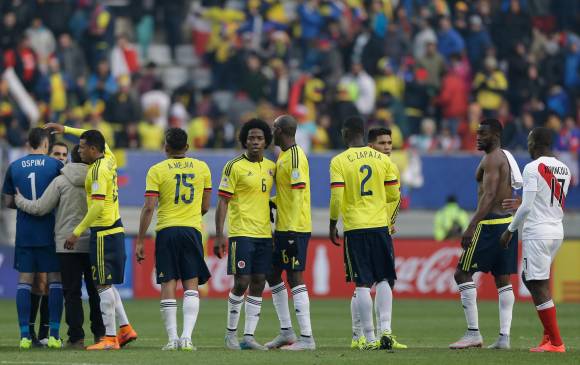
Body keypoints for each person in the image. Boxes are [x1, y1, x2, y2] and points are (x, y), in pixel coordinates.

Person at [45, 123, 137, 350]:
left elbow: (96, 207)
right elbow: (98, 137)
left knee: (102, 286)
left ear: (95, 150)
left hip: (104, 231)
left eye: (84, 147)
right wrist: (65, 129)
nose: (80, 150)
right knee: (105, 284)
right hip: (114, 228)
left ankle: (109, 339)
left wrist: (76, 233)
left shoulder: (96, 170)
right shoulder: (109, 159)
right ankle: (125, 328)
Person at [15, 145, 105, 348]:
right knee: (95, 291)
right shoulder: (99, 178)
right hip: (92, 240)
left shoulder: (61, 181)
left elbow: (39, 208)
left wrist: (19, 199)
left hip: (67, 244)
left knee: (72, 293)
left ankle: (76, 338)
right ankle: (101, 335)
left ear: (70, 159)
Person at [135, 128, 212, 351]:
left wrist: (140, 240)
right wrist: (190, 216)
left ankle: (172, 340)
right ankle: (187, 338)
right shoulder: (202, 168)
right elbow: (205, 206)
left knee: (167, 282)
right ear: (187, 147)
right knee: (191, 284)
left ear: (165, 147)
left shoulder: (156, 170)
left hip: (166, 230)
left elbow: (149, 207)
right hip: (192, 230)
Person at [329, 116, 400, 350]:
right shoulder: (384, 160)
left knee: (361, 284)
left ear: (344, 134)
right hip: (380, 225)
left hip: (355, 227)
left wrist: (332, 223)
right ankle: (386, 331)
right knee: (383, 279)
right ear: (363, 133)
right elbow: (392, 195)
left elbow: (337, 196)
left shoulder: (339, 161)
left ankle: (368, 338)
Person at [449, 119, 519, 350]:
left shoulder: (492, 159)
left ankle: (473, 333)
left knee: (462, 273)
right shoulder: (504, 157)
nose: (477, 137)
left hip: (489, 224)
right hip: (507, 223)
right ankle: (504, 338)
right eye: (477, 133)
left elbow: (488, 196)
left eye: (483, 134)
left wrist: (471, 226)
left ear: (496, 135)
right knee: (502, 279)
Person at [499, 127, 570, 353]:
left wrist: (510, 230)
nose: (528, 146)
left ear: (536, 143)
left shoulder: (532, 167)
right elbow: (545, 201)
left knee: (536, 284)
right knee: (533, 280)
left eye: (529, 141)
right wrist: (522, 205)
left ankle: (556, 343)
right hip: (556, 230)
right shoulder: (564, 168)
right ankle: (548, 338)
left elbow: (528, 206)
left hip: (537, 232)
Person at [214, 118, 276, 351]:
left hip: (263, 234)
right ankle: (230, 334)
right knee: (242, 282)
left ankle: (249, 336)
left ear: (266, 141)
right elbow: (222, 202)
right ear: (244, 141)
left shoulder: (272, 167)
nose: (255, 142)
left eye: (259, 138)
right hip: (241, 233)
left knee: (259, 282)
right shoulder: (234, 166)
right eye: (251, 138)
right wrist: (220, 235)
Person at [2, 128, 64, 349]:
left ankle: (24, 336)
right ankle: (55, 335)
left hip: (26, 232)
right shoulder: (56, 165)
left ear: (29, 143)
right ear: (46, 144)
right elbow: (64, 194)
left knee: (25, 281)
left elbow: (8, 202)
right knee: (56, 279)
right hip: (50, 231)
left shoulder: (14, 166)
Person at [349, 127, 407, 350]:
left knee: (378, 280)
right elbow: (394, 197)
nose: (388, 147)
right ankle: (360, 335)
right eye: (383, 143)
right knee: (365, 282)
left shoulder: (388, 166)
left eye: (390, 143)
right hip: (372, 226)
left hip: (378, 227)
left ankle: (374, 334)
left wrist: (390, 221)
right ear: (371, 146)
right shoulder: (383, 166)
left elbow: (395, 200)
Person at [264, 115, 315, 351]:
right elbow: (286, 196)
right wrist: (268, 202)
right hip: (283, 227)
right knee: (272, 274)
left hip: (294, 228)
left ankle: (307, 338)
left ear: (282, 130)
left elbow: (297, 195)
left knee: (294, 277)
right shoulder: (284, 156)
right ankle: (286, 331)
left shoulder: (295, 156)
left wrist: (292, 230)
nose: (271, 131)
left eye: (273, 127)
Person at [27, 141, 69, 346]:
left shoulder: (67, 178)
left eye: (63, 154)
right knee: (39, 282)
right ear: (47, 155)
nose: (60, 157)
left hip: (58, 235)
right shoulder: (40, 178)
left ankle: (46, 333)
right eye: (56, 153)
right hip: (39, 234)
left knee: (54, 284)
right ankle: (31, 332)